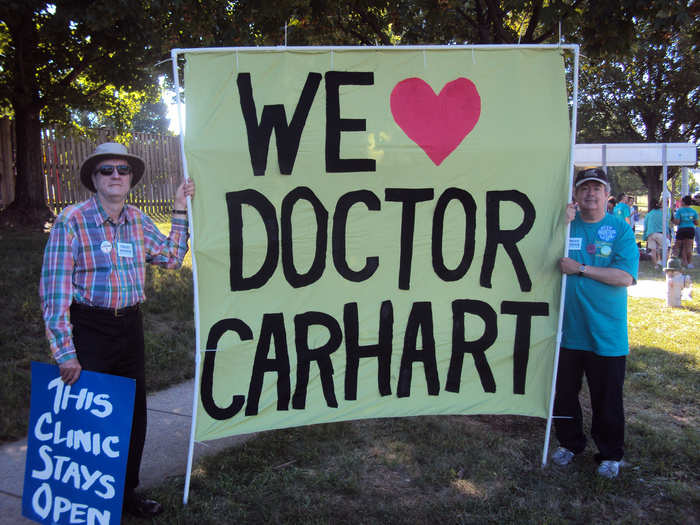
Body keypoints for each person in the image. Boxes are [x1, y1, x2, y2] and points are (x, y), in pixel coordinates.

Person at [40, 142, 195, 518]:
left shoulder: (139, 221)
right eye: (106, 170)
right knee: (89, 421)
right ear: (94, 178)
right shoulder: (71, 221)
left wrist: (178, 206)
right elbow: (54, 291)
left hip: (130, 326)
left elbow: (173, 258)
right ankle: (84, 501)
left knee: (131, 415)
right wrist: (65, 352)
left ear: (130, 179)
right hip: (89, 328)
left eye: (121, 170)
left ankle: (125, 495)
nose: (115, 176)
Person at [552, 167, 639, 479]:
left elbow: (625, 277)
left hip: (606, 333)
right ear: (575, 194)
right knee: (563, 393)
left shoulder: (619, 229)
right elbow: (541, 254)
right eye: (584, 188)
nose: (590, 194)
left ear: (607, 195)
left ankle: (610, 454)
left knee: (607, 398)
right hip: (567, 331)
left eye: (597, 189)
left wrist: (581, 269)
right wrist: (558, 225)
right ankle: (570, 443)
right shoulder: (566, 225)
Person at [672, 195, 698, 268]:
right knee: (688, 247)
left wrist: (672, 220)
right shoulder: (694, 211)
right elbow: (696, 223)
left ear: (683, 202)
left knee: (678, 246)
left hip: (682, 229)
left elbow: (677, 222)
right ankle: (689, 263)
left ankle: (678, 261)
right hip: (690, 229)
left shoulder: (680, 210)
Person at [642, 199, 666, 268]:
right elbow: (665, 224)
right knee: (665, 248)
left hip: (650, 234)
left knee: (653, 250)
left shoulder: (648, 214)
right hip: (660, 233)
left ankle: (655, 265)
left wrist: (644, 236)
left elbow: (645, 226)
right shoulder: (662, 214)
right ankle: (663, 262)